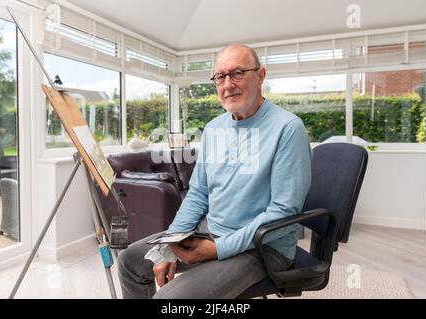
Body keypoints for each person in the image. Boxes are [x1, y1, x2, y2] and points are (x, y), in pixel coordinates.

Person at [117, 44, 312, 299]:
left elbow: (282, 213)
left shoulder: (288, 128)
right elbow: (198, 193)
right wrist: (169, 245)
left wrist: (216, 249)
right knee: (129, 260)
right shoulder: (213, 129)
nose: (228, 84)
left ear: (261, 76)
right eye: (220, 77)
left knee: (169, 299)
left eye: (238, 73)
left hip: (263, 248)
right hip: (211, 232)